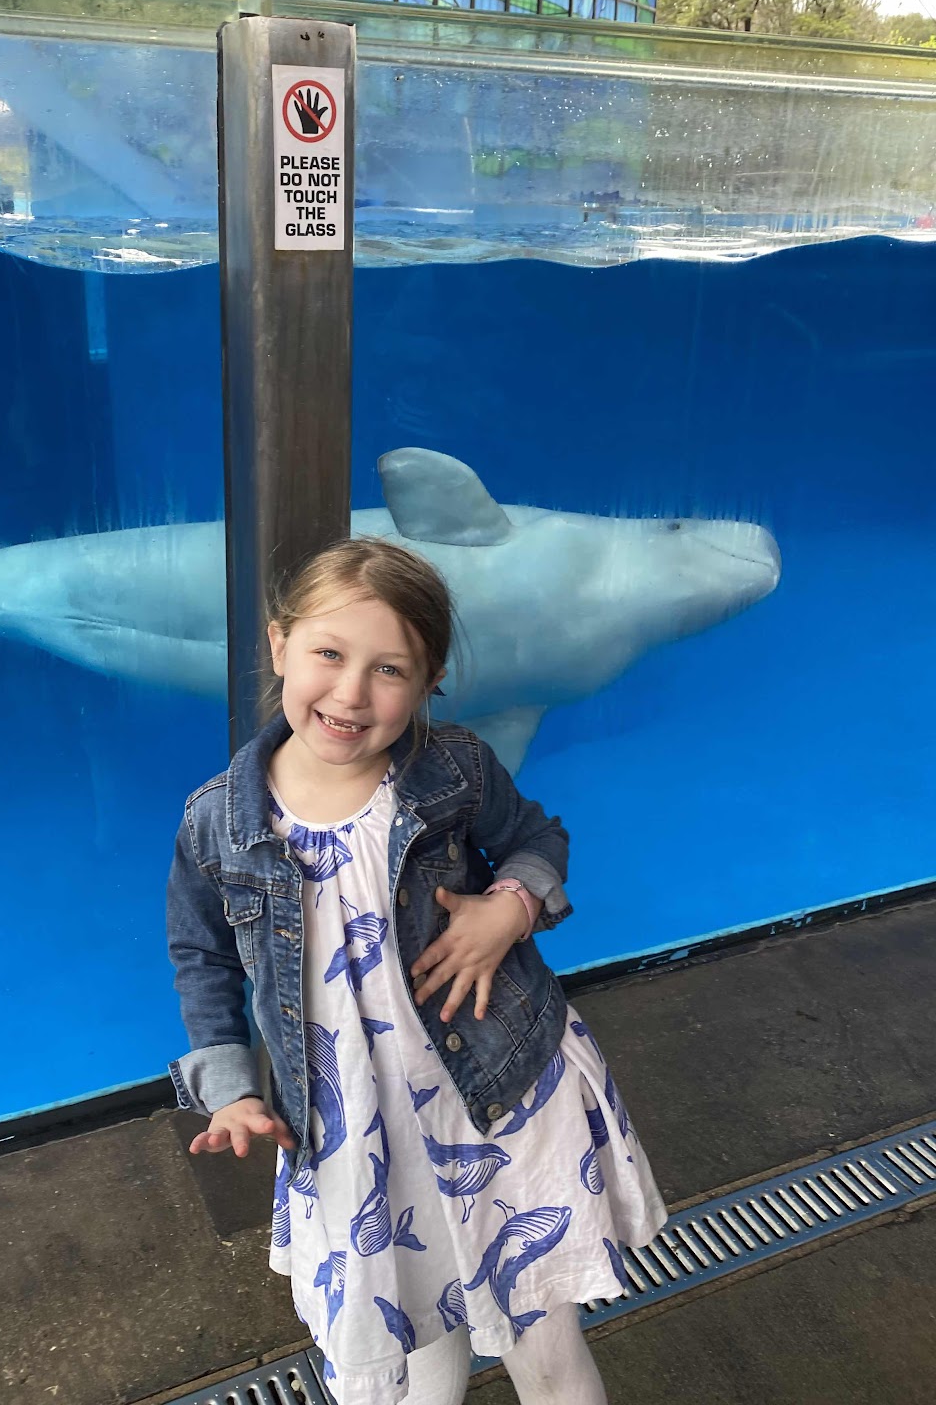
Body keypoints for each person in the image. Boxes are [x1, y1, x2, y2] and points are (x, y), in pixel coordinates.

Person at [166, 538, 667, 1405]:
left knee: (547, 1350)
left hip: (499, 1099)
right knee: (411, 1354)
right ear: (279, 644)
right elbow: (201, 953)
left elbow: (537, 838)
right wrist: (230, 1089)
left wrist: (511, 907)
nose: (351, 693)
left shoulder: (454, 769)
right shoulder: (219, 822)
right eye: (329, 653)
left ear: (430, 682)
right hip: (356, 1130)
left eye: (389, 669)